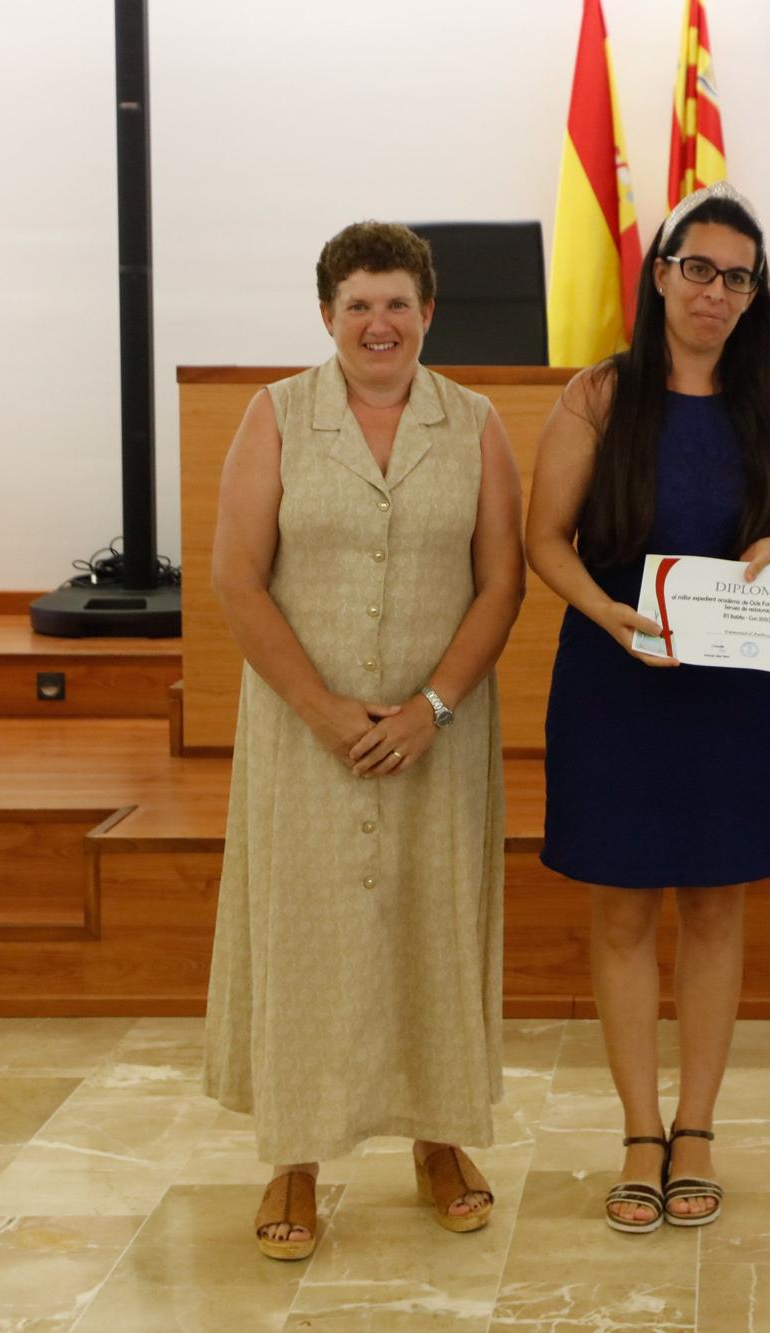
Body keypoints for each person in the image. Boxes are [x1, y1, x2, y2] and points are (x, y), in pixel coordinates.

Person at [205, 221, 525, 1259]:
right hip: (307, 732)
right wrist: (323, 708)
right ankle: (293, 1156)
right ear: (327, 318)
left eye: (397, 302)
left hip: (439, 731)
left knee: (435, 923)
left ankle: (440, 1142)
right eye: (357, 305)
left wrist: (430, 706)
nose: (378, 322)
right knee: (303, 932)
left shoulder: (473, 421)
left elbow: (502, 581)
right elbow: (236, 578)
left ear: (428, 312)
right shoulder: (276, 416)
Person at [526, 181, 770, 1234]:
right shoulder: (599, 395)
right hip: (615, 673)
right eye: (698, 267)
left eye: (738, 276)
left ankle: (697, 1125)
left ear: (753, 294)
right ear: (660, 274)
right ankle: (639, 1129)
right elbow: (542, 539)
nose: (716, 290)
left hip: (729, 681)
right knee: (621, 907)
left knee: (717, 904)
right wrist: (609, 615)